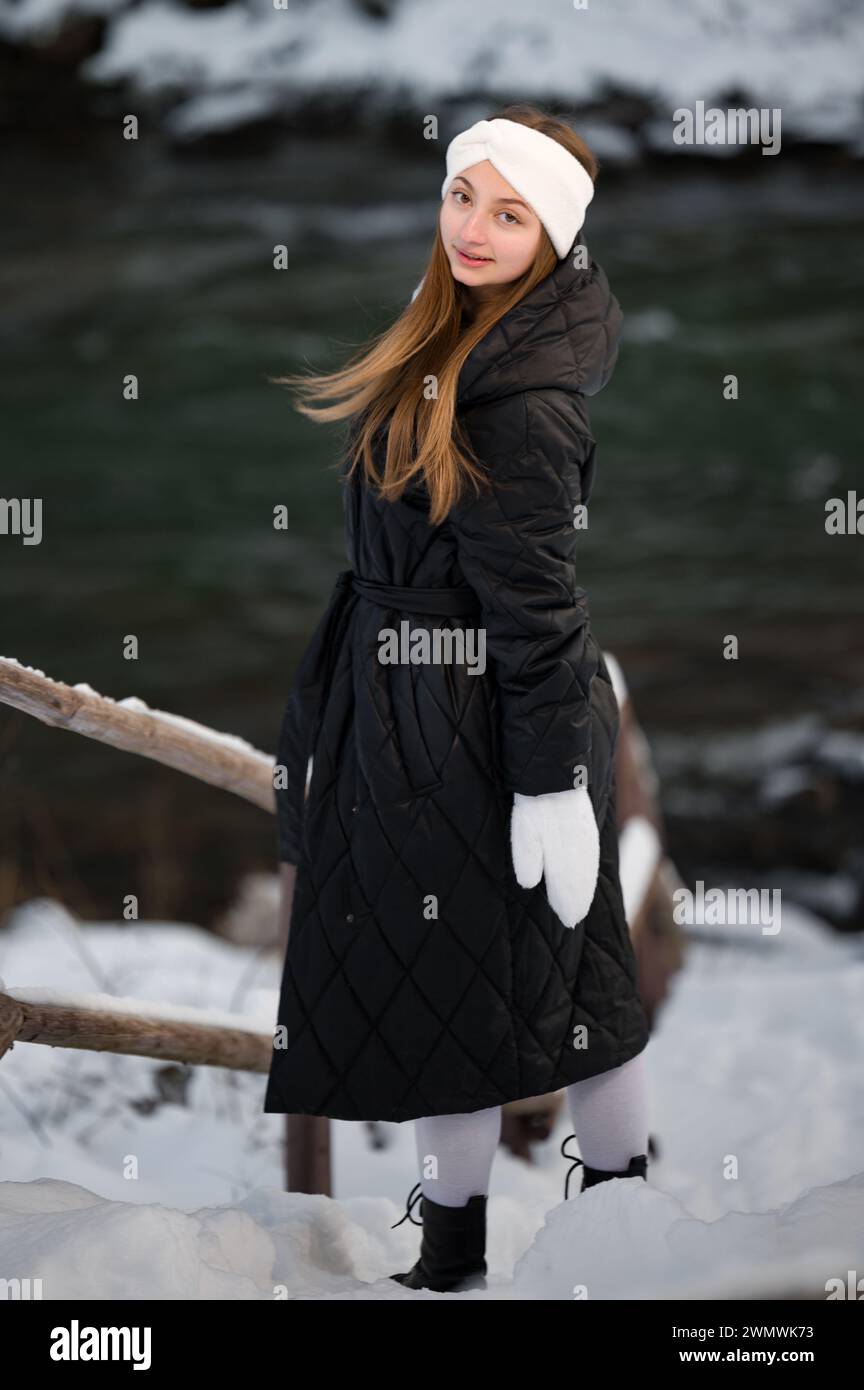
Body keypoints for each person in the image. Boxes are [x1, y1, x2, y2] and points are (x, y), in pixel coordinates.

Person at [266, 104, 652, 1293]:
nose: (470, 228)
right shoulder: (456, 337)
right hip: (414, 714)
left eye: (508, 211)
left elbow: (538, 614)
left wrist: (550, 787)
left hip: (479, 727)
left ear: (553, 237)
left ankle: (590, 1232)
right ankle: (485, 1246)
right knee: (499, 987)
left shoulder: (524, 403)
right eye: (460, 196)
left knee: (522, 982)